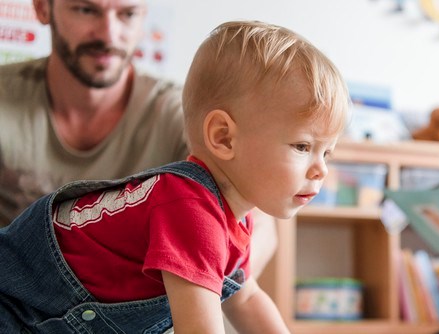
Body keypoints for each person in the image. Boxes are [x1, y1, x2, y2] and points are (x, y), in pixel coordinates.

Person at [0, 20, 349, 333]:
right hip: (17, 305)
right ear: (224, 138)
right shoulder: (190, 211)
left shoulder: (234, 219)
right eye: (303, 146)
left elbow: (246, 298)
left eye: (327, 152)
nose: (321, 169)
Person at [0, 0, 275, 276]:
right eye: (86, 10)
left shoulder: (182, 114)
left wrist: (221, 283)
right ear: (42, 9)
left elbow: (256, 223)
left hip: (144, 314)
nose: (109, 35)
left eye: (128, 14)